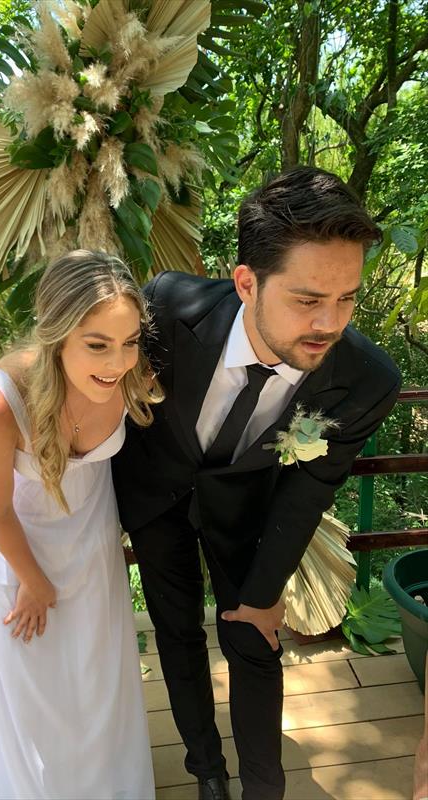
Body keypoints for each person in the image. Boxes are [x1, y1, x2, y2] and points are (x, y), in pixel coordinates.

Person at [112, 167, 402, 800]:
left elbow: (312, 487)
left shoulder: (366, 380)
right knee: (177, 634)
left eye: (347, 298)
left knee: (253, 639)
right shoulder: (167, 305)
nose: (330, 323)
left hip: (248, 511)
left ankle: (263, 790)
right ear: (247, 282)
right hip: (156, 497)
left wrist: (266, 593)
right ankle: (206, 770)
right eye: (308, 300)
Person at [0, 250, 162, 800]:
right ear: (56, 334)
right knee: (32, 684)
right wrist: (33, 581)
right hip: (15, 547)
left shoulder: (132, 376)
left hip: (91, 542)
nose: (117, 363)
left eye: (129, 342)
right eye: (97, 345)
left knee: (94, 678)